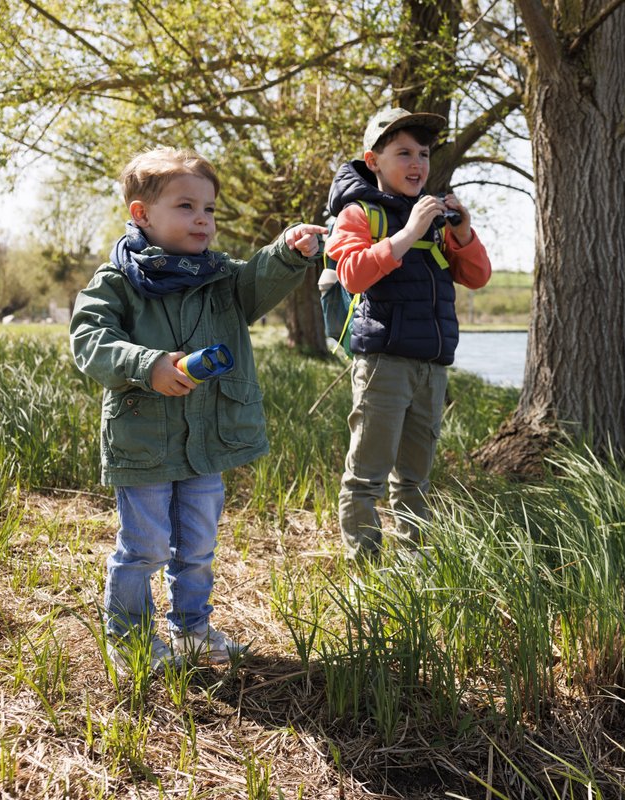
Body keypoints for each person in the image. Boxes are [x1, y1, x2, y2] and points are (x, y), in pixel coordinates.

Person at [71, 147, 326, 673]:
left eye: (209, 209)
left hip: (206, 442)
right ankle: (130, 639)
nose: (203, 219)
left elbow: (260, 281)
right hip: (145, 440)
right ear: (142, 214)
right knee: (144, 547)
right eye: (186, 206)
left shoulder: (222, 278)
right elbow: (88, 340)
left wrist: (288, 251)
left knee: (198, 547)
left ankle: (192, 629)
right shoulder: (115, 282)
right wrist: (148, 364)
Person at [325, 107, 492, 561]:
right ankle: (366, 572)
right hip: (384, 363)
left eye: (423, 153)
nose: (418, 163)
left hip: (431, 366)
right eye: (403, 153)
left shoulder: (435, 219)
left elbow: (477, 277)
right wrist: (410, 231)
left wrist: (463, 231)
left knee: (414, 479)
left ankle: (413, 567)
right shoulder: (359, 214)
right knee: (367, 477)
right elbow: (353, 275)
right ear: (373, 160)